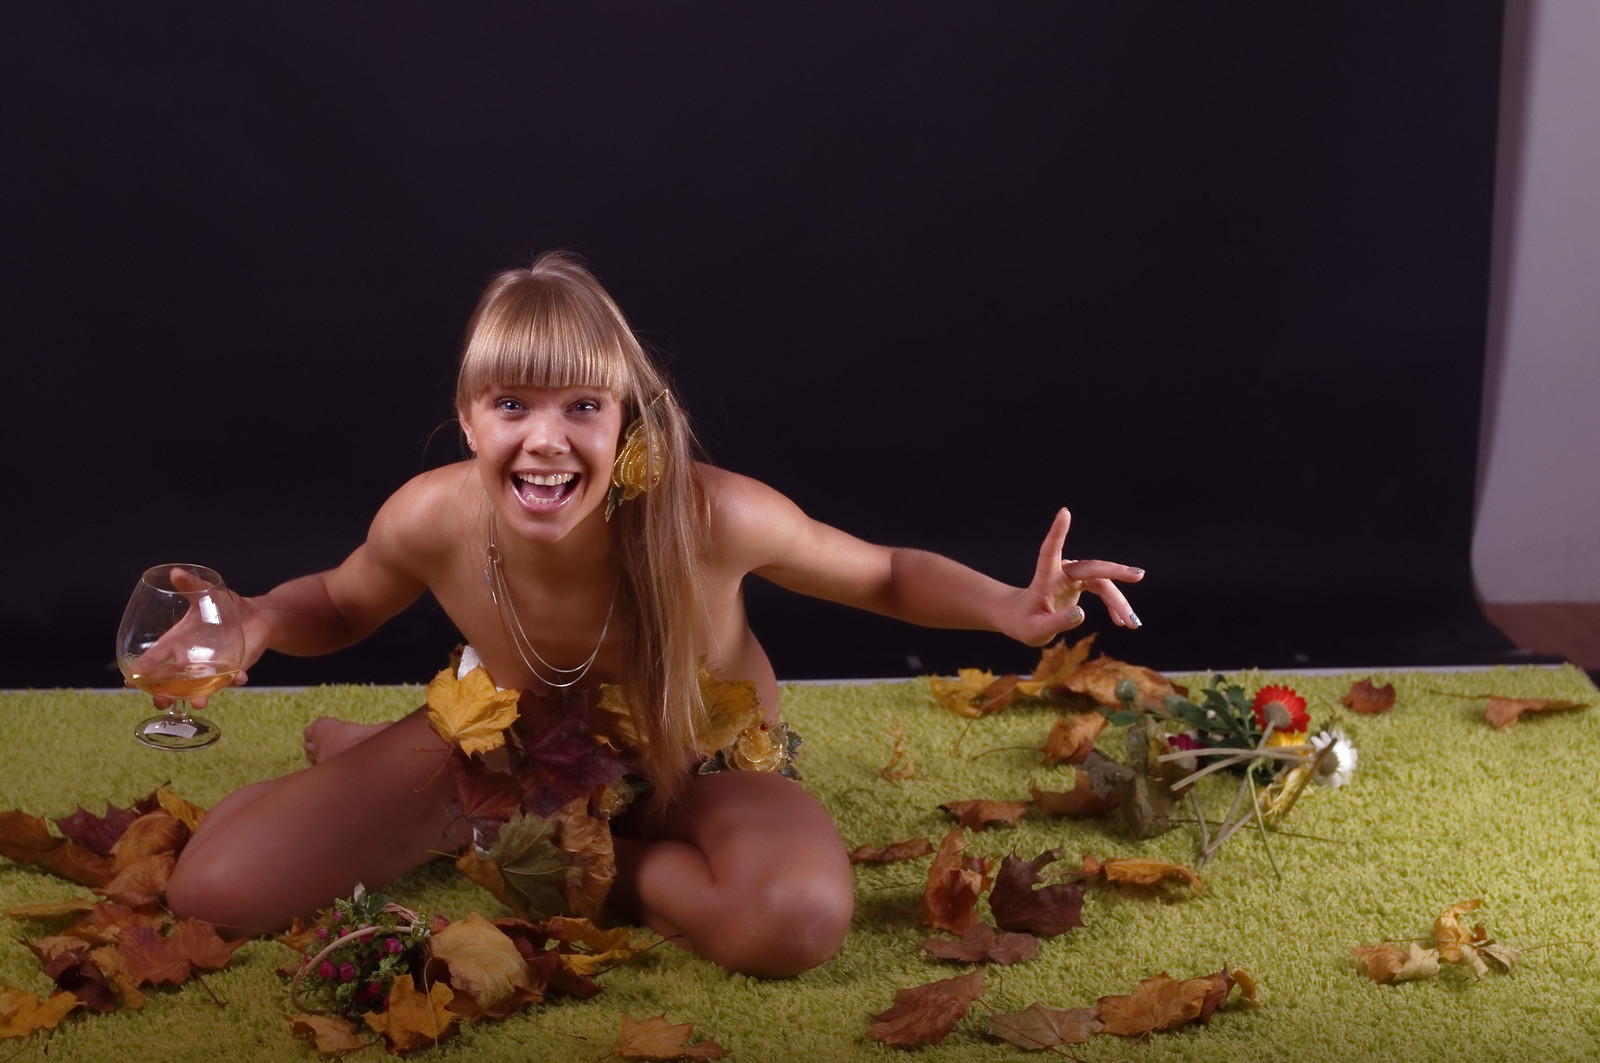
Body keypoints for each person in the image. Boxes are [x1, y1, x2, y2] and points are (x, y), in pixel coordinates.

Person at [163, 252, 1143, 978]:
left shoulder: (712, 513)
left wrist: (1010, 608)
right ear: (468, 419)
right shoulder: (430, 516)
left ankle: (517, 842)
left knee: (792, 919)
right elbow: (339, 602)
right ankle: (453, 802)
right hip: (508, 754)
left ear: (627, 416)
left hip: (691, 768)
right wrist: (258, 617)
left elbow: (884, 574)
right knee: (210, 891)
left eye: (582, 407)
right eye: (511, 405)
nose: (545, 441)